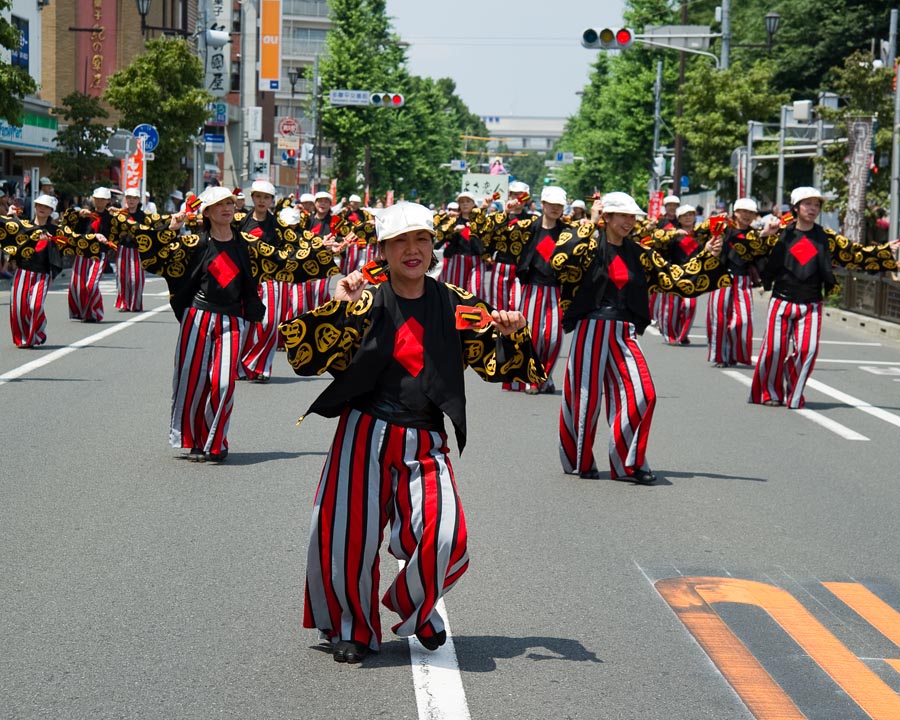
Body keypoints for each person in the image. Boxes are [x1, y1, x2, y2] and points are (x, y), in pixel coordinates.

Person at [279, 201, 545, 663]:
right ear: (381, 249)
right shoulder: (362, 297)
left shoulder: (457, 302)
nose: (412, 249)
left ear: (432, 245)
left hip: (425, 438)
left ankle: (413, 606)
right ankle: (351, 628)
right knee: (346, 538)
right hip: (363, 431)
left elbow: (498, 365)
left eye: (421, 238)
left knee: (447, 535)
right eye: (399, 241)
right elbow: (306, 359)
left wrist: (509, 331)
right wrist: (339, 308)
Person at [135, 186, 333, 462]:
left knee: (224, 382)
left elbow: (282, 259)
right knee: (193, 381)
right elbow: (155, 254)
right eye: (220, 205)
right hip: (198, 318)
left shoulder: (247, 244)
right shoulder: (195, 243)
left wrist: (320, 251)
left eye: (230, 203)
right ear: (207, 212)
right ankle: (195, 440)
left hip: (233, 319)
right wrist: (170, 226)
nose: (227, 208)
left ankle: (216, 442)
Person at [552, 192, 729, 483]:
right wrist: (590, 224)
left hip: (625, 331)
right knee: (585, 400)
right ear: (606, 216)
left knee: (643, 393)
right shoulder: (586, 243)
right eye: (622, 215)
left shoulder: (639, 253)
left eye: (632, 216)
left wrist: (707, 255)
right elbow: (561, 262)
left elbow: (676, 277)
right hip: (591, 327)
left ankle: (628, 463)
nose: (629, 222)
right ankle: (578, 460)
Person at [750, 187, 900, 408]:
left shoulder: (826, 237)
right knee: (774, 349)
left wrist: (886, 252)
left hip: (811, 303)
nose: (812, 208)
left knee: (807, 350)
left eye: (816, 204)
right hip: (781, 300)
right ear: (796, 207)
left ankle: (793, 390)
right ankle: (769, 392)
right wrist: (763, 235)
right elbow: (748, 252)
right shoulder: (780, 233)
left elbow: (854, 254)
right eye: (807, 203)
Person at [508, 185, 571, 394]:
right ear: (542, 204)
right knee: (532, 335)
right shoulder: (529, 227)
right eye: (551, 204)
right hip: (532, 287)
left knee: (554, 338)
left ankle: (544, 377)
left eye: (559, 205)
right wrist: (509, 212)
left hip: (557, 289)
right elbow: (504, 233)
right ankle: (533, 380)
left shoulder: (567, 232)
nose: (555, 208)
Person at [237, 179, 290, 383]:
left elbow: (293, 245)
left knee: (268, 322)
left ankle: (261, 367)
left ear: (271, 200)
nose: (261, 200)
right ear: (252, 198)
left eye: (266, 197)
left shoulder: (278, 225)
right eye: (258, 196)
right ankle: (242, 366)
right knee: (247, 324)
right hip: (246, 280)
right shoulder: (241, 220)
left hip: (271, 279)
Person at [701, 197, 764, 367]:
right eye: (743, 212)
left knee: (743, 319)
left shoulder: (754, 234)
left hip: (743, 279)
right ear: (735, 212)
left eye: (750, 213)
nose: (746, 216)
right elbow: (702, 233)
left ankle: (736, 353)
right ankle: (720, 356)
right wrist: (715, 221)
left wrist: (762, 281)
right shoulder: (724, 229)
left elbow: (760, 258)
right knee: (719, 318)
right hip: (720, 277)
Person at [1, 195, 64, 347]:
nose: (42, 208)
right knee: (18, 308)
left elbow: (73, 239)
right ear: (35, 207)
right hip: (23, 271)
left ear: (51, 211)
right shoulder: (24, 224)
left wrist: (96, 237)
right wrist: (9, 216)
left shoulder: (54, 231)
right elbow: (7, 229)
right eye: (39, 205)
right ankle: (24, 339)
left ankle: (39, 332)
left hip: (42, 274)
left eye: (47, 207)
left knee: (35, 306)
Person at [61, 186, 115, 322]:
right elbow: (68, 227)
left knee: (91, 284)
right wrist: (78, 216)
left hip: (99, 254)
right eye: (97, 199)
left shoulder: (111, 217)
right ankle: (80, 312)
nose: (99, 202)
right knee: (76, 285)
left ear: (108, 200)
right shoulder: (86, 215)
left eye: (102, 199)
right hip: (83, 252)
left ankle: (95, 312)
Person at [111, 187, 166, 311]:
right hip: (123, 248)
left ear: (138, 200)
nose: (131, 201)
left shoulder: (144, 216)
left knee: (136, 279)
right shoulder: (120, 214)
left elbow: (154, 229)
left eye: (134, 198)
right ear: (125, 199)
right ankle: (124, 304)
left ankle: (135, 303)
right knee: (122, 277)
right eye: (129, 198)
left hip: (138, 250)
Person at [653, 204, 701, 345]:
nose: (688, 218)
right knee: (671, 307)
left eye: (691, 215)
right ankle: (670, 335)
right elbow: (657, 241)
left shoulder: (700, 235)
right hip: (674, 273)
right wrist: (673, 235)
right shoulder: (672, 234)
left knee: (689, 306)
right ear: (679, 219)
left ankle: (683, 334)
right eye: (685, 216)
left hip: (692, 276)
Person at [433, 190, 486, 293]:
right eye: (462, 202)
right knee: (458, 291)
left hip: (477, 259)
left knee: (475, 290)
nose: (465, 204)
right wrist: (449, 226)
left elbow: (486, 238)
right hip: (458, 259)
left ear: (473, 204)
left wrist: (467, 230)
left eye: (468, 201)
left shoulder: (481, 220)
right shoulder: (453, 220)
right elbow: (439, 240)